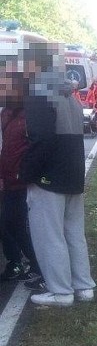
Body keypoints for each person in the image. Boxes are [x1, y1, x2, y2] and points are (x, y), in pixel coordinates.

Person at [18, 40, 96, 307]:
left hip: (49, 176)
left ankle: (60, 292)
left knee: (49, 235)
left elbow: (42, 139)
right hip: (73, 173)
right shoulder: (68, 94)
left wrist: (26, 172)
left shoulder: (39, 92)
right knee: (74, 232)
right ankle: (83, 287)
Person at [0, 66, 41, 282]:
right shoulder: (6, 113)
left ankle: (37, 264)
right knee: (7, 224)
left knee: (17, 225)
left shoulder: (30, 113)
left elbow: (37, 146)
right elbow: (5, 147)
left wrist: (27, 174)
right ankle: (16, 262)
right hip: (7, 179)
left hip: (23, 181)